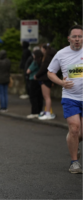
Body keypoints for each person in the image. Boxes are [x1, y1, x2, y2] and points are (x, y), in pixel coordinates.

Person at [47, 25, 83, 174]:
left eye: (80, 36)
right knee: (74, 128)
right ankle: (74, 162)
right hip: (70, 97)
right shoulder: (61, 54)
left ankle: (72, 141)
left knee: (79, 133)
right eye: (74, 36)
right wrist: (62, 83)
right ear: (69, 38)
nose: (77, 39)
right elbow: (50, 72)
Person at [36, 44, 57, 120]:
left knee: (47, 97)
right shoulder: (50, 58)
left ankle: (48, 113)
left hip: (45, 79)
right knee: (46, 97)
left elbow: (43, 68)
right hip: (47, 79)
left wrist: (37, 75)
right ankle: (47, 111)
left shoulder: (47, 58)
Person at [26, 50, 44, 119]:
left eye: (33, 54)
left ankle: (34, 112)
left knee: (33, 96)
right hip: (39, 81)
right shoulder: (42, 62)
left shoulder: (35, 62)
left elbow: (28, 71)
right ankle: (39, 111)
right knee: (39, 96)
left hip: (33, 80)